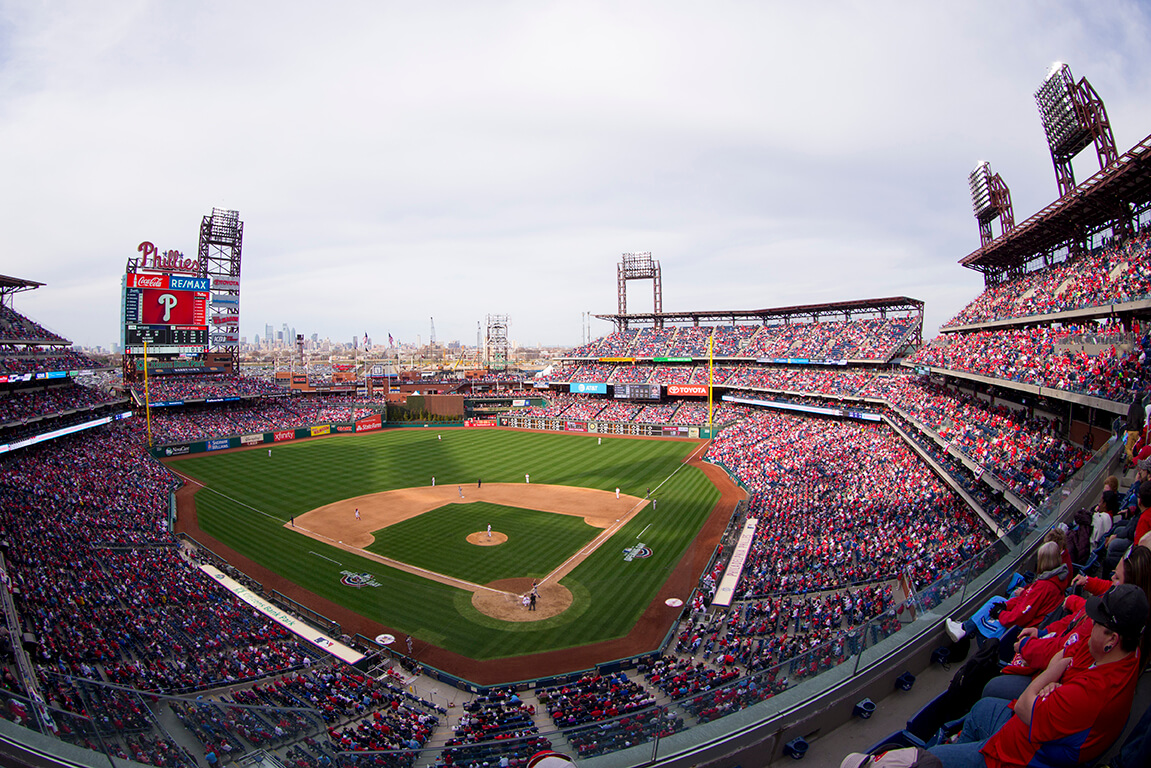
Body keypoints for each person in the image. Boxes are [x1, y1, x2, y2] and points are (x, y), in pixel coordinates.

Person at [928, 584, 1149, 768]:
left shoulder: (1092, 693)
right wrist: (1054, 681)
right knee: (980, 710)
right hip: (1027, 732)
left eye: (1098, 623)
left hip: (1017, 757)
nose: (1090, 627)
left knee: (931, 759)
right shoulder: (1129, 653)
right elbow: (1064, 652)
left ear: (1113, 639)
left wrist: (1052, 675)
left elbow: (1026, 706)